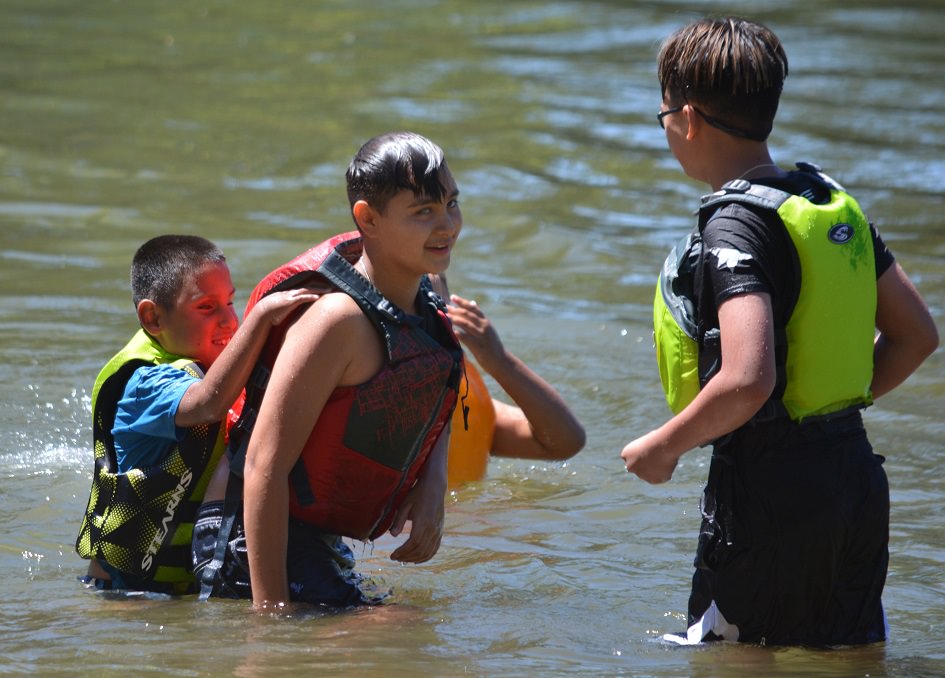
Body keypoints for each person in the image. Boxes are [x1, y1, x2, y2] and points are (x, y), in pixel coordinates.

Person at [621, 17, 939, 646]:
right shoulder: (825, 201)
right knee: (852, 658)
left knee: (732, 660)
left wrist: (664, 447)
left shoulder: (734, 226)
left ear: (686, 119)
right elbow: (917, 335)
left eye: (661, 116)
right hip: (854, 481)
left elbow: (748, 378)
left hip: (769, 496)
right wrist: (827, 411)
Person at [193, 131, 466, 609]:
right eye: (423, 211)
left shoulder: (428, 297)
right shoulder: (336, 322)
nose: (446, 225)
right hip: (242, 533)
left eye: (451, 204)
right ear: (368, 219)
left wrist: (433, 485)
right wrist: (270, 620)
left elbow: (436, 390)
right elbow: (262, 466)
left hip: (313, 538)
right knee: (398, 633)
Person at [76, 235, 320, 594]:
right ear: (153, 317)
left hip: (181, 588)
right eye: (207, 308)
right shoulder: (145, 384)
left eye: (232, 302)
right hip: (127, 595)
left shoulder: (211, 368)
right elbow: (208, 402)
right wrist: (262, 317)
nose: (229, 320)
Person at [428, 276, 585, 488]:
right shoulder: (374, 397)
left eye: (436, 309)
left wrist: (501, 363)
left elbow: (564, 442)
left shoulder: (467, 401)